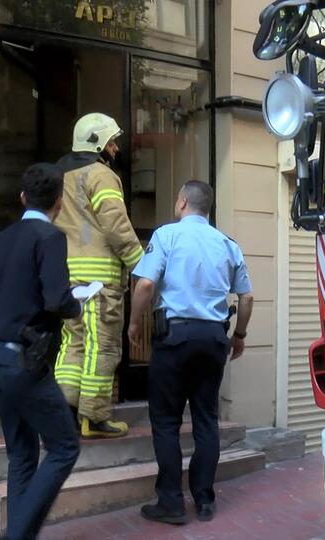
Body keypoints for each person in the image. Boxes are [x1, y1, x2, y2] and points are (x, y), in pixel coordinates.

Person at [128, 180, 254, 525]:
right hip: (213, 340)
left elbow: (146, 284)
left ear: (182, 202)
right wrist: (239, 335)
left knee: (166, 421)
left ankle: (170, 502)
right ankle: (205, 500)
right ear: (208, 208)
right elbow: (246, 297)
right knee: (205, 420)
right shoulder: (228, 244)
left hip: (175, 339)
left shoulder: (167, 235)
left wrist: (134, 323)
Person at [0, 163, 82, 540]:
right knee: (65, 447)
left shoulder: (2, 238)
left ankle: (19, 534)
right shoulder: (51, 238)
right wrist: (79, 303)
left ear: (23, 197)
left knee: (22, 453)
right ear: (59, 201)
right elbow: (57, 300)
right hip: (25, 363)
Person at [53, 112, 144, 439]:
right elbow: (116, 226)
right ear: (98, 144)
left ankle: (66, 413)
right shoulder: (101, 176)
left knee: (73, 343)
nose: (116, 149)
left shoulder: (61, 176)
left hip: (68, 277)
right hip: (100, 281)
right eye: (112, 142)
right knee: (102, 347)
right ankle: (94, 418)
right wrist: (141, 265)